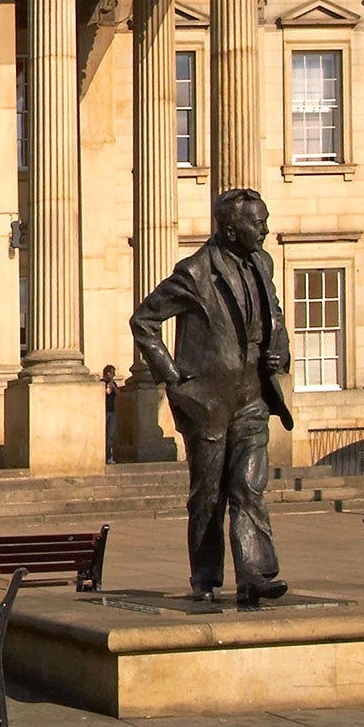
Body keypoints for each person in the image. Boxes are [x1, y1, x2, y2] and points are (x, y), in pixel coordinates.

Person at [129, 187, 294, 607]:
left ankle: (255, 575)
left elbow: (274, 317)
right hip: (208, 401)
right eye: (257, 223)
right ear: (231, 228)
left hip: (254, 396)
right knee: (207, 496)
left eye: (264, 219)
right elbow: (144, 321)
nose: (265, 229)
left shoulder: (262, 263)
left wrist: (281, 350)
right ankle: (205, 575)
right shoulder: (195, 272)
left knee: (248, 485)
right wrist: (174, 377)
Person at [101, 364, 119, 464]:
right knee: (104, 435)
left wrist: (113, 388)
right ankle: (104, 456)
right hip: (103, 412)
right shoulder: (101, 383)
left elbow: (119, 394)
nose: (113, 375)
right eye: (112, 373)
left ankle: (109, 456)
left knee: (110, 436)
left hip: (112, 411)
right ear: (107, 373)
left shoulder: (114, 384)